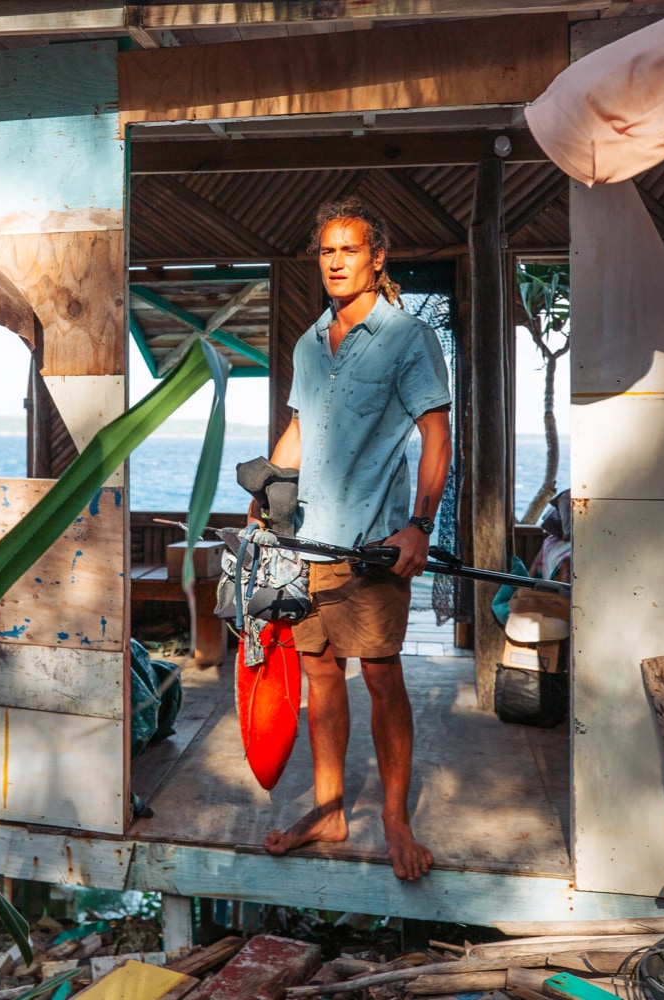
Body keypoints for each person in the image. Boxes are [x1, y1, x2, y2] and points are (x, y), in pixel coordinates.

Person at [249, 196, 452, 881]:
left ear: (377, 257)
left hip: (372, 546)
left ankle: (395, 819)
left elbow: (436, 434)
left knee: (382, 677)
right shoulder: (310, 343)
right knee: (318, 673)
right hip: (304, 544)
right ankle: (330, 808)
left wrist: (420, 525)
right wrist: (262, 502)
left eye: (350, 250)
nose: (336, 262)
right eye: (327, 251)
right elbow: (299, 430)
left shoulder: (407, 337)